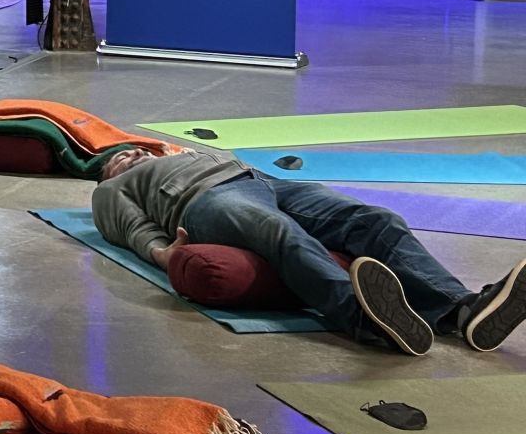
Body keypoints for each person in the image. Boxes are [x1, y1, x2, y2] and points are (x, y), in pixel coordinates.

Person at [93, 147, 526, 355]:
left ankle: (461, 312)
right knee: (280, 234)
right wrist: (163, 254)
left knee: (376, 220)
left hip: (265, 182)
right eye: (118, 158)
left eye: (132, 150)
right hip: (202, 201)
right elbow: (133, 230)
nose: (131, 153)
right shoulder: (110, 190)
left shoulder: (182, 152)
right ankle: (364, 318)